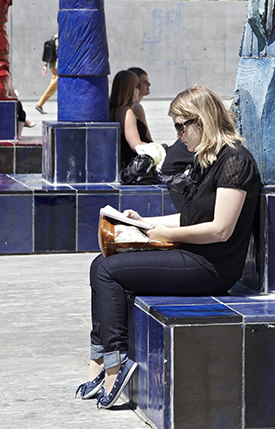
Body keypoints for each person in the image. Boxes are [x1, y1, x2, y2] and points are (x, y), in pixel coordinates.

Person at [78, 85, 262, 408]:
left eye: (181, 126)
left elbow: (221, 229)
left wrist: (165, 235)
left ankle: (115, 366)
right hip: (192, 254)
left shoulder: (236, 161)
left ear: (201, 121)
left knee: (108, 272)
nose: (178, 136)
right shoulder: (206, 159)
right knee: (99, 263)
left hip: (212, 268)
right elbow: (191, 216)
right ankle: (99, 361)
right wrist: (146, 223)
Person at [110, 70, 153, 167]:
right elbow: (136, 145)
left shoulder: (113, 110)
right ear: (130, 89)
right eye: (137, 86)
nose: (138, 90)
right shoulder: (126, 112)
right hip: (137, 165)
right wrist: (158, 149)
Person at [35, 34, 58, 115]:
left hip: (52, 65)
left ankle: (40, 104)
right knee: (53, 86)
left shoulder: (54, 37)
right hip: (58, 65)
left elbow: (49, 52)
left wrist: (45, 65)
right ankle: (40, 104)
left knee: (57, 86)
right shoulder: (61, 37)